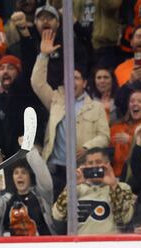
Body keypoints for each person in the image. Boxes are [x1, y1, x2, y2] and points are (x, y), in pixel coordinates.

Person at [32, 30, 110, 197]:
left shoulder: (96, 107)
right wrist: (43, 56)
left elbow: (105, 137)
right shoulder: (55, 100)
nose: (71, 81)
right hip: (55, 168)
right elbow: (37, 83)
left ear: (85, 83)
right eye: (68, 78)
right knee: (58, 213)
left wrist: (87, 148)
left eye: (76, 78)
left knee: (80, 212)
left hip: (82, 169)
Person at [51, 147, 135, 234]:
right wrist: (71, 187)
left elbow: (124, 219)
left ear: (107, 164)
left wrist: (113, 186)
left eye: (98, 162)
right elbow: (57, 216)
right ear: (84, 166)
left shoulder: (122, 187)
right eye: (90, 163)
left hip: (110, 244)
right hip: (81, 244)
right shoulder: (76, 189)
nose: (94, 166)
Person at [0, 148, 54, 236]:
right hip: (11, 247)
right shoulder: (8, 199)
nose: (19, 176)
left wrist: (31, 149)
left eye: (24, 172)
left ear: (30, 177)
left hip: (39, 246)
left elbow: (45, 179)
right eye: (16, 173)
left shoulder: (42, 196)